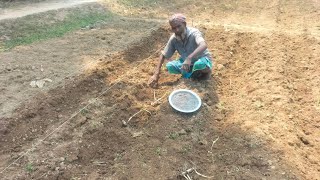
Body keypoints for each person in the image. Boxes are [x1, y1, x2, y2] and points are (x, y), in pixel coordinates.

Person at [148, 13, 213, 88]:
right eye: (174, 28)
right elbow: (163, 55)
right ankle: (193, 74)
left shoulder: (194, 33)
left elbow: (203, 45)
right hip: (187, 64)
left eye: (179, 26)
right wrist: (156, 74)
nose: (177, 30)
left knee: (199, 64)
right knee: (170, 66)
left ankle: (204, 74)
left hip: (202, 59)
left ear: (184, 24)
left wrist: (189, 58)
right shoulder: (174, 39)